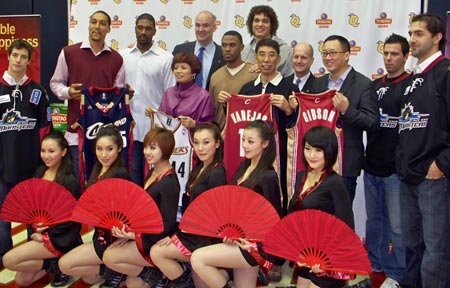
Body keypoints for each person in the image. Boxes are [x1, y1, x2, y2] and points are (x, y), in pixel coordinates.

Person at [191, 120, 283, 288]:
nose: (245, 145)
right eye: (243, 140)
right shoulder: (244, 166)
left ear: (265, 143)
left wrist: (255, 244)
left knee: (197, 257)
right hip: (239, 240)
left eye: (250, 141)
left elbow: (275, 217)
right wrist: (231, 232)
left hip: (254, 246)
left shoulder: (268, 176)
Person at [396, 13, 450, 288]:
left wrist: (441, 163)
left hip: (434, 178)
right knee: (412, 245)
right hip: (409, 175)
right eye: (411, 33)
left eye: (419, 34)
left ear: (437, 37)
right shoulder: (412, 78)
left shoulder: (445, 73)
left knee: (436, 252)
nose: (412, 39)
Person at [220, 38, 297, 213]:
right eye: (262, 55)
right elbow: (238, 122)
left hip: (277, 158)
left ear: (278, 59)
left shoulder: (289, 88)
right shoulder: (247, 88)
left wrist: (288, 110)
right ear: (255, 58)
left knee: (273, 201)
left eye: (271, 55)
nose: (266, 60)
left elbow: (296, 128)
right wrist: (227, 105)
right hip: (248, 158)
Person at [50, 10, 124, 182]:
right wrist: (69, 92)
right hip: (77, 130)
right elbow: (55, 83)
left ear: (109, 29)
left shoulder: (117, 59)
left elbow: (117, 93)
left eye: (102, 23)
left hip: (104, 133)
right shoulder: (69, 52)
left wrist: (126, 94)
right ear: (89, 24)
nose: (97, 27)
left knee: (102, 182)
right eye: (94, 22)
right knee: (79, 180)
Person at [150, 122, 227, 288]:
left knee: (157, 252)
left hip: (204, 238)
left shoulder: (218, 173)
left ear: (217, 143)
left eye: (206, 142)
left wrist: (179, 237)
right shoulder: (198, 168)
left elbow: (217, 214)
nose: (200, 148)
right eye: (197, 142)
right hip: (190, 232)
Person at [102, 127, 180, 288]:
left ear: (165, 149)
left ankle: (162, 270)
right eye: (145, 147)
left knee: (110, 257)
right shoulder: (152, 173)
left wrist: (133, 236)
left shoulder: (169, 182)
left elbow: (167, 224)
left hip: (155, 241)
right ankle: (156, 273)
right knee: (129, 280)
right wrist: (127, 233)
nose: (146, 152)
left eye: (152, 148)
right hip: (144, 235)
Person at [3, 131, 81, 287]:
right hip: (39, 235)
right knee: (22, 280)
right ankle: (54, 265)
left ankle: (62, 259)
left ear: (63, 152)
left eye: (51, 151)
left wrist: (48, 234)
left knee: (8, 260)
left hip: (60, 238)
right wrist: (34, 233)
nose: (46, 156)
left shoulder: (69, 180)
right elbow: (31, 210)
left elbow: (73, 218)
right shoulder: (39, 172)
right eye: (43, 151)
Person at [59, 125, 131, 288]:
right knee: (87, 278)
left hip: (113, 240)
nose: (104, 154)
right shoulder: (97, 170)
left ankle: (118, 268)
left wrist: (125, 236)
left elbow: (129, 211)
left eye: (109, 149)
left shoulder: (120, 173)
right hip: (99, 236)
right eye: (99, 149)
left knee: (66, 265)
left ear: (119, 148)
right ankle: (112, 270)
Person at [364, 34, 410, 288]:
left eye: (395, 54)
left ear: (405, 56)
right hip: (372, 165)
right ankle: (375, 265)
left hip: (396, 170)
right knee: (375, 222)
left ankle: (396, 274)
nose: (389, 58)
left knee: (398, 227)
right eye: (386, 54)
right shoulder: (374, 86)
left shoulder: (412, 85)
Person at [0, 39, 51, 267]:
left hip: (31, 166)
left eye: (23, 57)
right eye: (15, 55)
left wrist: (44, 163)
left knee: (35, 215)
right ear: (8, 57)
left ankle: (36, 256)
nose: (18, 60)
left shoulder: (38, 92)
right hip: (3, 167)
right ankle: (3, 256)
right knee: (2, 217)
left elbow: (46, 129)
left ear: (29, 61)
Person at [311, 35, 378, 203]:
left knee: (341, 220)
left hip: (345, 164)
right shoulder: (318, 84)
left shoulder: (364, 84)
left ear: (347, 55)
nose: (327, 58)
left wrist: (347, 110)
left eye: (333, 53)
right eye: (324, 53)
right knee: (317, 217)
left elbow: (372, 122)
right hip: (317, 164)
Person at [288, 126, 354, 288]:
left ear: (330, 151)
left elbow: (346, 228)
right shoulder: (301, 176)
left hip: (326, 262)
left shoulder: (335, 183)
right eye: (308, 149)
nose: (311, 155)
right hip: (305, 256)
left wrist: (326, 259)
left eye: (318, 150)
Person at [119, 13, 175, 186]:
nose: (143, 32)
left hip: (154, 127)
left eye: (148, 28)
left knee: (154, 175)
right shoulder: (122, 56)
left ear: (155, 31)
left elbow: (170, 94)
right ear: (135, 29)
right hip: (129, 126)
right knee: (131, 172)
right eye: (140, 27)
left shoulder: (165, 58)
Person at [209, 31, 257, 130]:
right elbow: (212, 111)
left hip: (246, 135)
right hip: (220, 136)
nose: (227, 49)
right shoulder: (215, 76)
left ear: (242, 47)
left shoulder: (254, 74)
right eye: (224, 45)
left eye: (232, 45)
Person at [155, 52, 215, 129]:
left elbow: (210, 126)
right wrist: (153, 114)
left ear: (193, 72)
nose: (178, 71)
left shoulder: (203, 96)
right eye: (176, 68)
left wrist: (194, 124)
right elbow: (161, 118)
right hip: (169, 139)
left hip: (192, 139)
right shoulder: (168, 93)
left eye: (183, 68)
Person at [172, 11, 225, 90]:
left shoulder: (223, 54)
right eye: (197, 25)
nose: (200, 29)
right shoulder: (180, 50)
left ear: (214, 27)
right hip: (183, 101)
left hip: (211, 101)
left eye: (205, 25)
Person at [241, 5, 294, 77]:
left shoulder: (285, 51)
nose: (260, 24)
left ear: (272, 25)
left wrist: (265, 69)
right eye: (256, 20)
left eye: (265, 21)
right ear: (251, 24)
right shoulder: (245, 51)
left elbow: (290, 81)